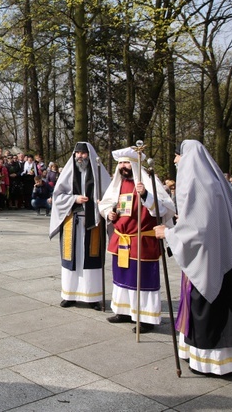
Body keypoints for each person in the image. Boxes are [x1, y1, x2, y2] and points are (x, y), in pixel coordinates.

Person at [155, 140, 232, 376]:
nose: (175, 161)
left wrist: (167, 232)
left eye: (177, 156)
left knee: (208, 307)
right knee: (225, 307)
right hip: (223, 254)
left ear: (189, 157)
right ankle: (225, 361)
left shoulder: (198, 183)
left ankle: (209, 362)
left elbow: (197, 230)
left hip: (207, 258)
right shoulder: (212, 181)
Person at [98, 147, 175, 333]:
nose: (123, 167)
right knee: (122, 278)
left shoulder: (148, 183)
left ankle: (145, 318)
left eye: (126, 163)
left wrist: (146, 195)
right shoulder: (118, 183)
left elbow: (164, 209)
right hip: (122, 239)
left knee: (143, 280)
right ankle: (123, 311)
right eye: (120, 163)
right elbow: (106, 204)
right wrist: (110, 214)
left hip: (142, 241)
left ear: (134, 164)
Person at [49, 142, 111, 310]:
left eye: (83, 153)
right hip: (73, 221)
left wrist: (102, 205)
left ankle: (93, 297)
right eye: (77, 153)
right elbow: (58, 196)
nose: (80, 156)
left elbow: (109, 196)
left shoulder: (99, 172)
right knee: (72, 258)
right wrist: (74, 199)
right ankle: (69, 295)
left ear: (89, 155)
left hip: (93, 222)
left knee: (91, 259)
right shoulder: (68, 173)